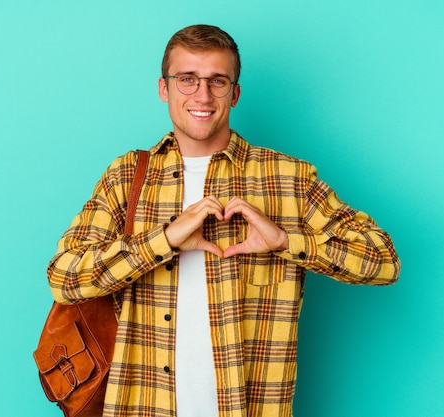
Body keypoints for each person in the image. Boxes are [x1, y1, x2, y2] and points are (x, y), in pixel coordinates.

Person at [47, 24, 400, 417]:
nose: (202, 95)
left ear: (235, 93)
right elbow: (63, 277)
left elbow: (383, 260)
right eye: (187, 79)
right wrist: (164, 240)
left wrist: (286, 241)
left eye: (217, 81)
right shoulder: (127, 176)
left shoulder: (289, 178)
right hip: (142, 405)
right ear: (163, 88)